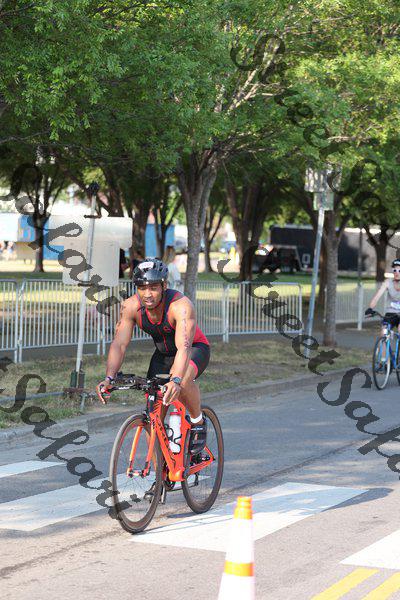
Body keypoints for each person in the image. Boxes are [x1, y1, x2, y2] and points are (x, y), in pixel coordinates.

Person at [96, 258, 209, 454]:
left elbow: (183, 347)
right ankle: (159, 471)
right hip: (163, 355)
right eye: (142, 288)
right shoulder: (130, 306)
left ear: (164, 286)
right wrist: (109, 377)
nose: (147, 294)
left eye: (153, 288)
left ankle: (198, 421)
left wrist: (175, 380)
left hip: (193, 349)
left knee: (182, 380)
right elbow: (119, 344)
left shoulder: (180, 305)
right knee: (152, 419)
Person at [366, 259, 400, 361]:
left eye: (399, 270)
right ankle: (384, 360)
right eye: (395, 270)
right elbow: (377, 296)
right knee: (383, 333)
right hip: (390, 314)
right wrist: (370, 308)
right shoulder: (388, 282)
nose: (397, 273)